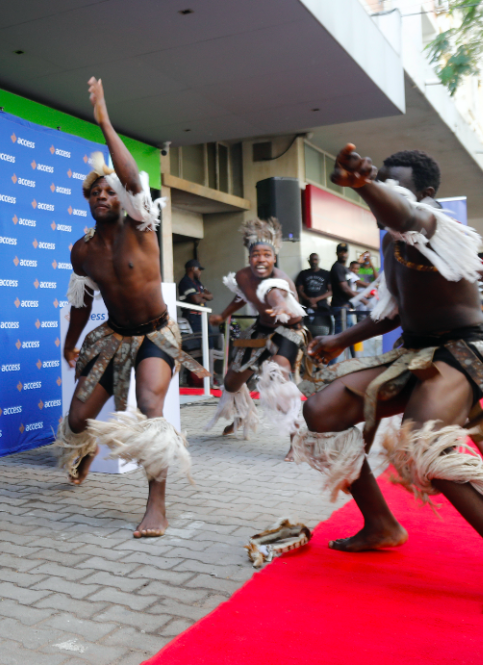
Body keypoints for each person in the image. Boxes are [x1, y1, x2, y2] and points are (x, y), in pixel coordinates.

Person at [294, 145, 483, 619]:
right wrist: (339, 339)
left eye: (394, 186)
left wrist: (365, 184)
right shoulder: (394, 240)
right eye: (381, 185)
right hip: (412, 351)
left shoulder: (435, 224)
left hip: (461, 353)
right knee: (321, 412)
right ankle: (380, 524)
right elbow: (394, 310)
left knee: (425, 446)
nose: (384, 195)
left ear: (427, 194)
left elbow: (405, 211)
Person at [54, 77, 208, 538]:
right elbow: (81, 304)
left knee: (149, 408)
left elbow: (132, 175)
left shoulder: (140, 225)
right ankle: (84, 450)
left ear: (122, 197)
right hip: (113, 336)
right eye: (95, 193)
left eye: (110, 191)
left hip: (157, 336)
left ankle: (155, 506)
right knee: (79, 418)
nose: (104, 196)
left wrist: (103, 118)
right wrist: (71, 342)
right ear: (87, 200)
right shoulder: (81, 251)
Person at [204, 218, 306, 458]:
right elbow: (243, 296)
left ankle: (296, 439)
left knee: (279, 381)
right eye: (256, 255)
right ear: (249, 257)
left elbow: (276, 296)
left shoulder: (277, 283)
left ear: (274, 257)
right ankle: (242, 416)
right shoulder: (243, 276)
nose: (261, 260)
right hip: (261, 330)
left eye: (266, 255)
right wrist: (224, 315)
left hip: (288, 333)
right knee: (231, 381)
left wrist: (281, 307)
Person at [295, 253, 332, 337]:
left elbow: (331, 291)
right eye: (312, 260)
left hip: (323, 308)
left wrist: (316, 300)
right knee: (308, 332)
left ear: (318, 260)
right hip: (306, 308)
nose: (313, 262)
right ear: (309, 261)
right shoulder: (303, 273)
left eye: (315, 259)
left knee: (324, 332)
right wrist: (309, 300)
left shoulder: (326, 274)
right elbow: (299, 290)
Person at [178, 258, 213, 333]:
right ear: (193, 268)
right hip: (192, 316)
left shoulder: (198, 282)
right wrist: (204, 297)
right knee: (198, 341)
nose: (200, 272)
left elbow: (211, 296)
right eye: (199, 269)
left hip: (202, 316)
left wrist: (202, 295)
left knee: (209, 340)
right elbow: (196, 300)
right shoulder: (185, 282)